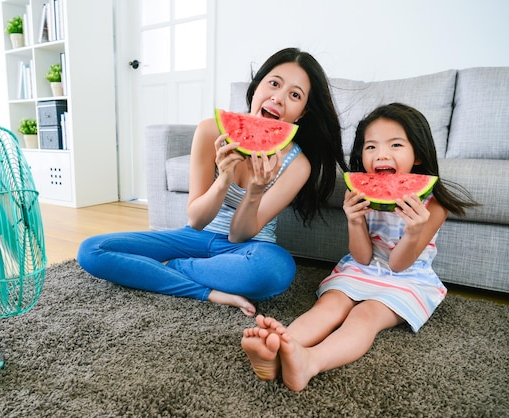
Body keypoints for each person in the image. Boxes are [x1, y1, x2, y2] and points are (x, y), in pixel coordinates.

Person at [77, 47, 347, 316]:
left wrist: (255, 190)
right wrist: (224, 178)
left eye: (295, 95)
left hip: (250, 248)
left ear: (301, 113)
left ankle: (170, 268)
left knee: (274, 271)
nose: (278, 98)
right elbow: (196, 220)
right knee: (91, 250)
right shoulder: (210, 131)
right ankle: (208, 288)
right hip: (193, 238)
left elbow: (239, 235)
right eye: (274, 83)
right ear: (256, 88)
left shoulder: (297, 165)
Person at [241, 102, 480, 390]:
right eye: (370, 147)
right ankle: (278, 348)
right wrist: (354, 221)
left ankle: (311, 361)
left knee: (364, 316)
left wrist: (414, 232)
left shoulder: (434, 205)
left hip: (407, 277)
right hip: (362, 267)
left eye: (395, 145)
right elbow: (363, 256)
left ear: (418, 154)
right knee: (328, 307)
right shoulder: (364, 193)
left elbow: (398, 264)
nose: (381, 154)